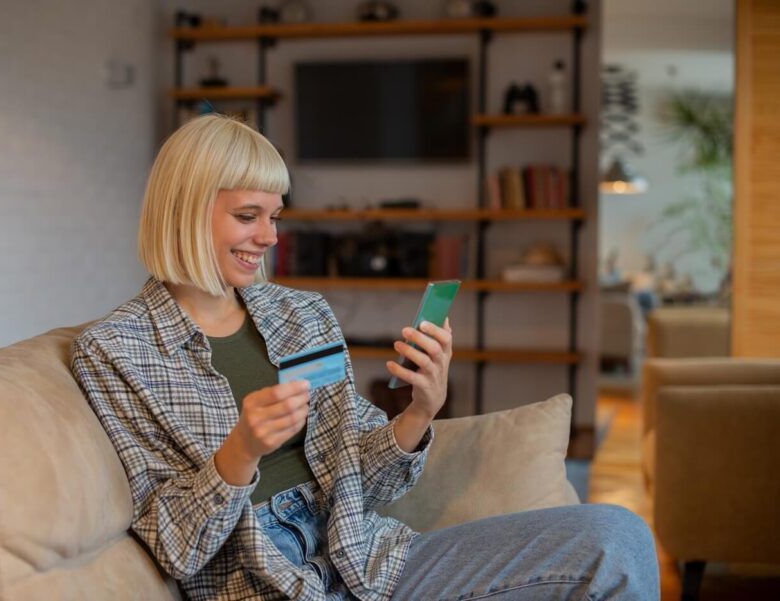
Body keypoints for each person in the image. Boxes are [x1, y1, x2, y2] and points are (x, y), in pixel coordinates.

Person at [71, 114, 659, 600]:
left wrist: (418, 414)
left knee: (617, 538)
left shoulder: (301, 318)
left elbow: (363, 479)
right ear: (184, 210)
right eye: (247, 216)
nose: (270, 237)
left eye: (274, 217)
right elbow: (173, 547)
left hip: (369, 558)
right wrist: (239, 453)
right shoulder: (117, 351)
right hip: (265, 583)